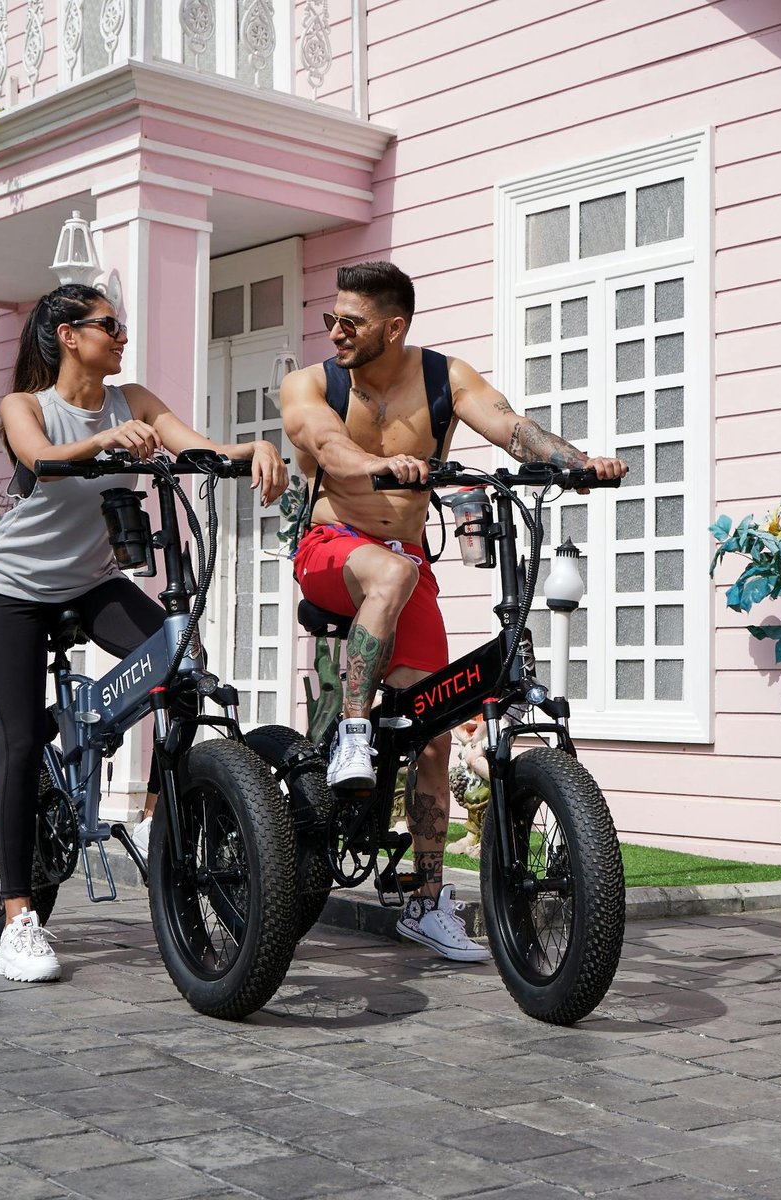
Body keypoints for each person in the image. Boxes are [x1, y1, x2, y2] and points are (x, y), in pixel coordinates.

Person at [279, 261, 626, 961]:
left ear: (395, 326)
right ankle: (351, 732)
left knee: (434, 732)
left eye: (352, 322)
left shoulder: (442, 378)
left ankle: (428, 901)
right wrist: (376, 467)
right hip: (331, 552)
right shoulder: (313, 382)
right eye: (331, 320)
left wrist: (576, 462)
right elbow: (325, 445)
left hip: (407, 569)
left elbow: (509, 426)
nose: (337, 332)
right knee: (387, 571)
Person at [0, 283, 289, 983]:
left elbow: (200, 450)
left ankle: (153, 815)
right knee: (22, 741)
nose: (121, 337)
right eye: (109, 325)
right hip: (13, 591)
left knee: (181, 661)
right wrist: (102, 441)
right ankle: (19, 918)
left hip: (90, 582)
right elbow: (40, 461)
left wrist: (255, 449)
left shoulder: (135, 399)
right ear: (67, 335)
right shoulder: (28, 406)